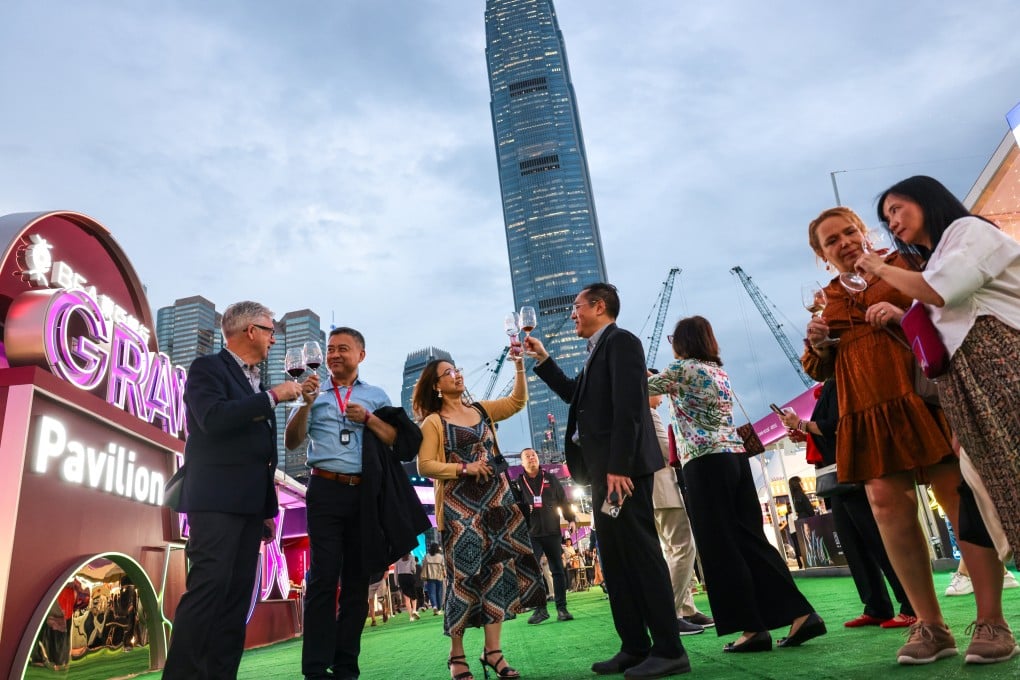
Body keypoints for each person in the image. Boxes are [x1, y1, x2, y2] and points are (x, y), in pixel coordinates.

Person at [805, 203, 1012, 665]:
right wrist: (817, 344)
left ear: (863, 231)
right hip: (866, 406)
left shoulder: (902, 263)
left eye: (848, 232)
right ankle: (930, 625)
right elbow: (818, 366)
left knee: (956, 495)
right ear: (822, 254)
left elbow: (948, 308)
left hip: (922, 394)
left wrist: (899, 314)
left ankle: (993, 621)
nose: (844, 243)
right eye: (831, 241)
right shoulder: (827, 297)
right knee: (885, 505)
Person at [526, 282, 690, 679]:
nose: (572, 314)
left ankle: (669, 649)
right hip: (603, 471)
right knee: (616, 561)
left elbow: (629, 408)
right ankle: (634, 646)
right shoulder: (595, 351)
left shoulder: (622, 342)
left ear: (598, 306)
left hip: (623, 472)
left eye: (577, 307)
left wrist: (619, 466)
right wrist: (544, 359)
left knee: (641, 553)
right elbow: (573, 396)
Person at [649, 315, 824, 655]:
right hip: (735, 457)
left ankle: (752, 628)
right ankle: (801, 613)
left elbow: (642, 388)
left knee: (720, 548)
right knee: (751, 541)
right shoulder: (719, 372)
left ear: (682, 342)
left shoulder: (682, 370)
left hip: (704, 461)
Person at [162, 301, 303, 680]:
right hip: (216, 502)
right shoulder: (208, 368)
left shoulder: (254, 378)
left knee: (237, 601)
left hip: (249, 508)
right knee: (208, 591)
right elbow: (212, 420)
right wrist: (272, 397)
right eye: (271, 330)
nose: (275, 338)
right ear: (250, 331)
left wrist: (267, 510)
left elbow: (261, 455)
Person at [286, 326, 429, 680]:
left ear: (360, 355)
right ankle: (315, 668)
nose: (334, 355)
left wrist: (368, 419)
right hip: (324, 491)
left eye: (342, 349)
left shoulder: (377, 396)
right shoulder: (312, 393)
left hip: (364, 495)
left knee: (356, 582)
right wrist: (304, 404)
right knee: (322, 578)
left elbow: (400, 441)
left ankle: (346, 664)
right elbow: (291, 442)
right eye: (330, 349)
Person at [415, 354, 544, 680]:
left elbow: (517, 402)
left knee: (498, 575)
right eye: (448, 373)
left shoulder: (481, 410)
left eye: (457, 370)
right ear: (437, 385)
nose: (457, 376)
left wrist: (518, 365)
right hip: (460, 510)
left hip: (497, 504)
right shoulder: (433, 421)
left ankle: (493, 652)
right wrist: (464, 467)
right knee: (463, 579)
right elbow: (425, 465)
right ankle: (456, 656)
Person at [780, 381, 916, 629]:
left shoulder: (840, 383)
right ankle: (877, 606)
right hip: (839, 475)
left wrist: (801, 424)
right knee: (853, 543)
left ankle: (910, 604)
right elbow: (831, 433)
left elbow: (837, 427)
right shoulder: (830, 385)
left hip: (853, 471)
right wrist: (805, 433)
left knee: (878, 541)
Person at [646, 381, 714, 635]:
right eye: (659, 391)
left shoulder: (640, 414)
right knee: (684, 549)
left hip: (657, 492)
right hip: (664, 490)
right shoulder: (649, 414)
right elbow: (667, 450)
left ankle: (686, 609)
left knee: (675, 550)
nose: (662, 398)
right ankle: (670, 612)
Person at [517, 447, 576, 624]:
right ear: (522, 463)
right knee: (534, 572)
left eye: (533, 455)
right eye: (527, 456)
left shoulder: (550, 478)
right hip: (530, 533)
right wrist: (522, 509)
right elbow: (512, 506)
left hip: (552, 531)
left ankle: (562, 608)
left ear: (538, 458)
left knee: (557, 570)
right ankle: (540, 609)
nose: (531, 458)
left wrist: (571, 519)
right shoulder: (518, 483)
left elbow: (563, 501)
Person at [422, 543, 447, 615]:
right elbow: (443, 567)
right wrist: (445, 574)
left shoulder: (427, 556)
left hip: (430, 577)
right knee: (439, 593)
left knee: (431, 593)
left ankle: (434, 606)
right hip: (439, 577)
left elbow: (423, 566)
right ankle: (439, 609)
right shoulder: (440, 557)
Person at [395, 554, 419, 620]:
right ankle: (414, 610)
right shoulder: (411, 557)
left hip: (401, 578)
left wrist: (396, 583)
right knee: (414, 596)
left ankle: (411, 617)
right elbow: (413, 569)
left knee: (406, 598)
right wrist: (414, 571)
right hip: (409, 576)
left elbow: (395, 571)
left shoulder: (397, 558)